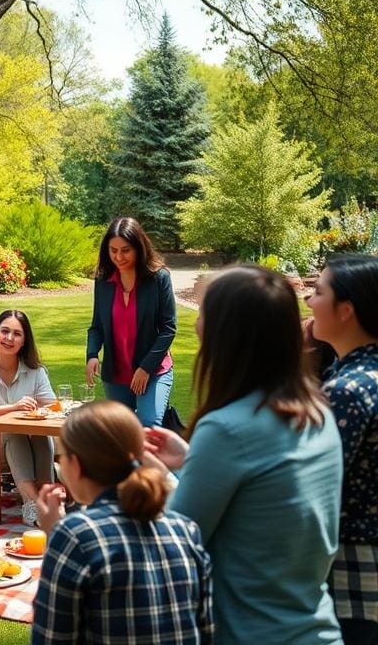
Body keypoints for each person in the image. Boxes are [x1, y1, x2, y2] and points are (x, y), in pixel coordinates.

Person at [145, 266, 343, 645]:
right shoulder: (317, 414)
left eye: (203, 314)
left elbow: (177, 546)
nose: (194, 325)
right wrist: (191, 462)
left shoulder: (226, 428)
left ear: (225, 333)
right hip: (315, 629)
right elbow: (264, 507)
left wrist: (145, 475)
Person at [32, 400, 213, 644]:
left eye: (60, 457)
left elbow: (51, 638)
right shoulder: (185, 529)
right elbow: (208, 629)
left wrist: (55, 533)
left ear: (75, 465)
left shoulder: (74, 535)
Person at [307, 253, 378, 644]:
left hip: (352, 568)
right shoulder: (356, 374)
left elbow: (315, 486)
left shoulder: (348, 391)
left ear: (347, 309)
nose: (309, 301)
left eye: (318, 292)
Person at [0, 310, 56, 527]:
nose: (9, 338)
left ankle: (47, 498)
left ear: (24, 341)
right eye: (4, 331)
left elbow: (53, 407)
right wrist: (14, 408)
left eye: (17, 334)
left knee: (38, 434)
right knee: (12, 430)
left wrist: (41, 411)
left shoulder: (35, 372)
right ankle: (32, 504)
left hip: (21, 445)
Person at [86, 217, 176, 426]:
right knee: (121, 431)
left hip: (152, 370)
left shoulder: (159, 278)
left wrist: (146, 368)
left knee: (148, 426)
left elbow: (168, 329)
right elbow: (97, 326)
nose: (118, 256)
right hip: (115, 372)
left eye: (125, 250)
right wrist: (92, 355)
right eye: (113, 250)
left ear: (139, 247)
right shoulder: (103, 281)